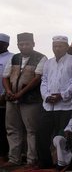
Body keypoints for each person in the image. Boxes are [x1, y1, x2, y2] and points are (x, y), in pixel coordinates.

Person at [1, 32, 47, 168]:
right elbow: (5, 77)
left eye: (27, 44)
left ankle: (31, 160)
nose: (24, 46)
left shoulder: (41, 57)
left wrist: (20, 93)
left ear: (33, 44)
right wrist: (9, 92)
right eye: (21, 44)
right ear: (17, 45)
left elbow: (37, 79)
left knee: (31, 130)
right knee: (12, 129)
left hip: (30, 100)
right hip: (12, 99)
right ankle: (14, 159)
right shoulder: (15, 57)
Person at [37, 36, 72, 168]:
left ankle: (67, 164)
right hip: (49, 106)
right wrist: (46, 96)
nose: (57, 48)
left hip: (66, 106)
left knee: (64, 137)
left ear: (67, 47)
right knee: (41, 134)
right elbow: (44, 81)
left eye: (60, 46)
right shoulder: (48, 63)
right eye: (55, 46)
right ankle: (45, 163)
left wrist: (63, 95)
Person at [0, 33, 13, 162]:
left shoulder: (11, 58)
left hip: (4, 99)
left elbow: (10, 79)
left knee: (4, 128)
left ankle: (4, 154)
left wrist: (5, 93)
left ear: (5, 44)